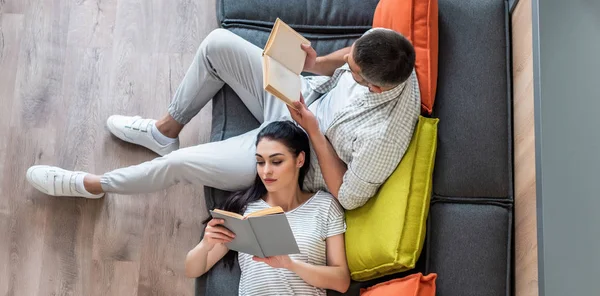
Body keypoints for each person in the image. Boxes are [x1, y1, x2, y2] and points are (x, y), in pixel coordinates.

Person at [25, 27, 420, 210]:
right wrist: (318, 63)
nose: (348, 66)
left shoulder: (382, 137)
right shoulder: (389, 50)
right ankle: (165, 130)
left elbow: (349, 197)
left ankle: (92, 185)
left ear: (377, 89)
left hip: (293, 149)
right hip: (299, 96)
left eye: (353, 73)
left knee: (180, 165)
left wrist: (314, 132)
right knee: (217, 44)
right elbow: (354, 52)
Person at [185, 120, 349, 296]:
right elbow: (193, 268)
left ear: (300, 160)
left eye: (276, 161)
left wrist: (290, 264)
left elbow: (342, 280)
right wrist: (206, 242)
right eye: (260, 162)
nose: (266, 171)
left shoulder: (325, 206)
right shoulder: (244, 209)